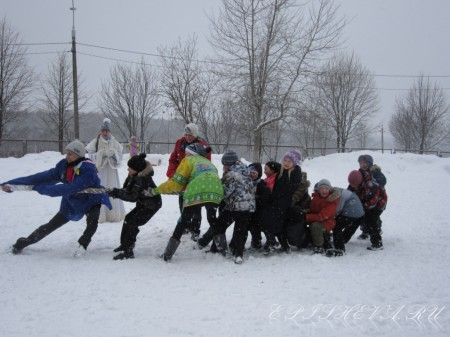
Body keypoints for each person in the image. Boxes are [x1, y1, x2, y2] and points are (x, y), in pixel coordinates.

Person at [1, 140, 111, 255]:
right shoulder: (63, 165)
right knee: (52, 225)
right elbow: (42, 177)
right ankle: (24, 242)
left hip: (92, 200)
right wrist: (12, 183)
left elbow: (67, 188)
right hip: (72, 201)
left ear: (79, 155)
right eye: (67, 153)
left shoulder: (88, 169)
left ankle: (82, 244)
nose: (66, 156)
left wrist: (38, 188)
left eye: (70, 154)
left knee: (92, 222)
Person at [147, 143, 223, 262]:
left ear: (192, 154)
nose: (185, 155)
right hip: (216, 191)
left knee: (183, 221)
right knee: (213, 220)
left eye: (187, 153)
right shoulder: (210, 164)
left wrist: (156, 191)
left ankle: (167, 255)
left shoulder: (188, 160)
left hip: (196, 190)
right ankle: (222, 249)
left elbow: (176, 184)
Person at [197, 151, 256, 264]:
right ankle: (238, 255)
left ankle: (215, 250)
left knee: (219, 225)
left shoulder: (231, 174)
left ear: (228, 164)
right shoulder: (245, 170)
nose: (223, 166)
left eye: (224, 164)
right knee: (241, 231)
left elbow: (226, 192)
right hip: (248, 207)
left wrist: (214, 191)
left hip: (235, 206)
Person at [107, 153, 162, 260]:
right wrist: (117, 191)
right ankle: (124, 245)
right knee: (128, 219)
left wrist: (117, 193)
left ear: (137, 169)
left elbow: (132, 197)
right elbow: (127, 189)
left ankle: (128, 251)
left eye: (130, 168)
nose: (128, 170)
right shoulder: (135, 175)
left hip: (151, 206)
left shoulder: (142, 179)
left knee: (132, 223)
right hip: (144, 203)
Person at [166, 123, 211, 241]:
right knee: (182, 202)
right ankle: (185, 225)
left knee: (196, 205)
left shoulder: (202, 145)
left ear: (195, 135)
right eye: (186, 134)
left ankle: (195, 229)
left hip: (196, 178)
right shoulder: (179, 143)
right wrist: (172, 175)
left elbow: (207, 163)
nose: (187, 137)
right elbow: (173, 160)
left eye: (190, 135)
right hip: (182, 177)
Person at [85, 118, 126, 223]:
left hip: (112, 171)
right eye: (103, 131)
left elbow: (120, 156)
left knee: (112, 189)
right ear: (100, 131)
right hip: (101, 171)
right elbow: (90, 156)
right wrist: (101, 155)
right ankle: (100, 215)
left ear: (110, 131)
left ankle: (113, 214)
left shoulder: (115, 142)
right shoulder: (96, 142)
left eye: (107, 131)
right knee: (101, 189)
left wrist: (114, 155)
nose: (105, 133)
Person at [264, 150, 302, 254]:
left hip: (285, 204)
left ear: (294, 163)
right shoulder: (281, 170)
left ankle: (275, 243)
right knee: (271, 222)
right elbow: (276, 187)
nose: (286, 162)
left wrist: (283, 201)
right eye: (285, 160)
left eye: (289, 161)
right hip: (276, 202)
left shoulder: (296, 171)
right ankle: (280, 244)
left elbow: (291, 189)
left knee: (276, 224)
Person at [348, 169, 387, 251]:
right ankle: (366, 232)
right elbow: (349, 194)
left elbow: (373, 201)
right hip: (366, 202)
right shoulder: (354, 183)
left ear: (360, 181)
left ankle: (377, 243)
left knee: (371, 219)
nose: (353, 186)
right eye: (352, 185)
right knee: (362, 217)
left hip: (379, 203)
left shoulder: (370, 185)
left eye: (355, 185)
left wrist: (362, 206)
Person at [326, 181, 365, 257]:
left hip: (352, 212)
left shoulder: (338, 195)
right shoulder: (338, 190)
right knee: (351, 226)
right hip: (361, 213)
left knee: (337, 226)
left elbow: (337, 210)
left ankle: (340, 248)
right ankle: (343, 239)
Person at [305, 179, 340, 254]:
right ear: (318, 190)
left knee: (315, 226)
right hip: (317, 219)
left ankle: (319, 246)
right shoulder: (316, 197)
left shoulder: (332, 200)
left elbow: (322, 216)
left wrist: (307, 217)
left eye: (326, 188)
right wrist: (304, 212)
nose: (324, 191)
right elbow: (313, 210)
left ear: (329, 189)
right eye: (322, 188)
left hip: (327, 222)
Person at [356, 154, 387, 239]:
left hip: (379, 200)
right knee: (363, 215)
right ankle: (365, 232)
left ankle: (376, 231)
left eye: (365, 163)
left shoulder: (375, 172)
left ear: (370, 163)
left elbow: (383, 180)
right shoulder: (360, 173)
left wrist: (375, 181)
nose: (363, 165)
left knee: (373, 217)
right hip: (367, 199)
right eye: (361, 163)